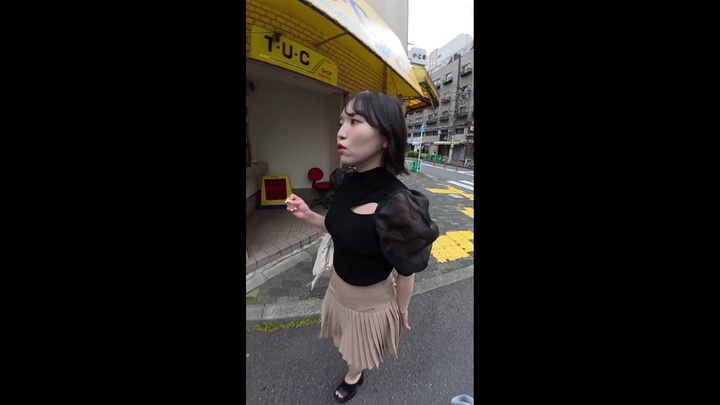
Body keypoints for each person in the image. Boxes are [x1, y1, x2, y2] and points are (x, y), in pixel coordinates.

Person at [286, 91, 439, 403]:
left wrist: (401, 309)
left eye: (355, 121)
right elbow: (341, 228)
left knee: (355, 352)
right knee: (340, 339)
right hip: (337, 288)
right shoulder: (347, 181)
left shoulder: (399, 203)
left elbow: (407, 271)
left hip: (369, 302)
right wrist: (309, 215)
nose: (341, 132)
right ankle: (353, 367)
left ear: (385, 137)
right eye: (342, 121)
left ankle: (353, 376)